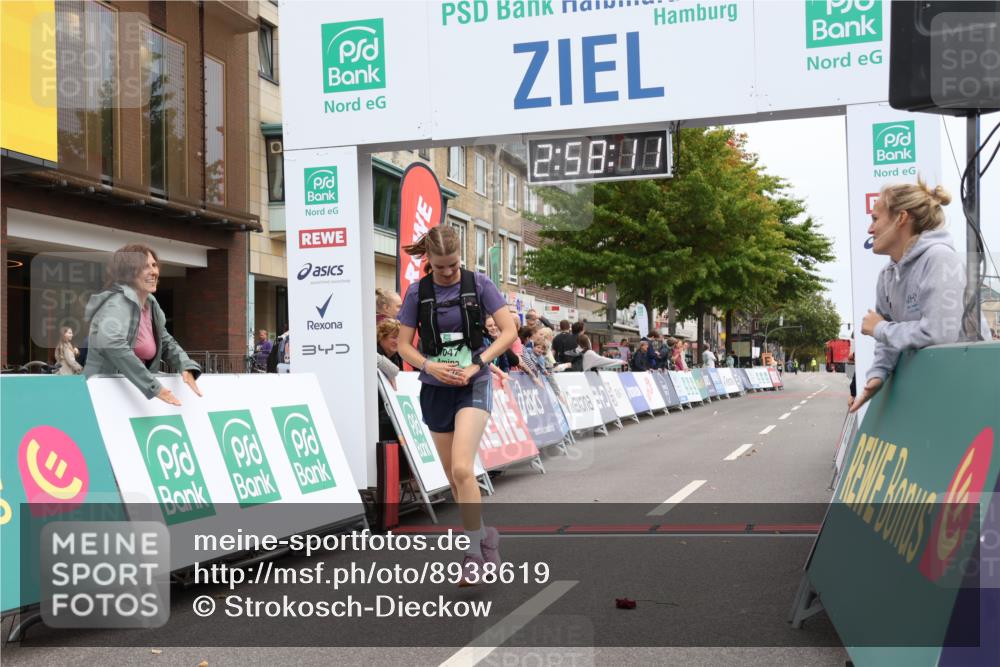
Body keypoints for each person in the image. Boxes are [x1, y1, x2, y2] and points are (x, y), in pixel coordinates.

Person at [395, 225, 517, 585]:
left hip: (473, 384)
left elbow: (509, 331)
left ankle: (472, 553)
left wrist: (478, 365)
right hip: (435, 387)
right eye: (441, 266)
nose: (448, 272)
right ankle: (487, 536)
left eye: (454, 265)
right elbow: (404, 346)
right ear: (428, 261)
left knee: (464, 470)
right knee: (453, 477)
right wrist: (429, 365)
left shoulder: (479, 285)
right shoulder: (418, 292)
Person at [850, 180, 965, 412]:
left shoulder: (939, 259)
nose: (870, 230)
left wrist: (880, 329)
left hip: (964, 390)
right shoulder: (886, 275)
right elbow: (888, 339)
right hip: (933, 394)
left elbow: (940, 334)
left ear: (901, 218)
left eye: (875, 219)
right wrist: (878, 374)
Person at [84, 244, 202, 405]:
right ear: (128, 273)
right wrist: (154, 387)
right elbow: (111, 343)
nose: (154, 271)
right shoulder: (116, 302)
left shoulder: (150, 304)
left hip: (130, 394)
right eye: (145, 267)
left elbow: (165, 341)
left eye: (154, 265)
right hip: (104, 393)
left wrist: (186, 366)